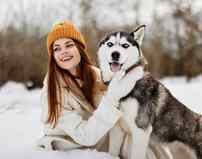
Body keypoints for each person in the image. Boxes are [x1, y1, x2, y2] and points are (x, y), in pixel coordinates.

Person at [35, 20, 143, 156]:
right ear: (53, 56)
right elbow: (85, 136)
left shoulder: (96, 75)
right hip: (70, 149)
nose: (63, 52)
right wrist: (112, 99)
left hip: (100, 141)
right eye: (57, 48)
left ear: (79, 49)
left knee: (147, 140)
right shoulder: (52, 91)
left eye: (69, 45)